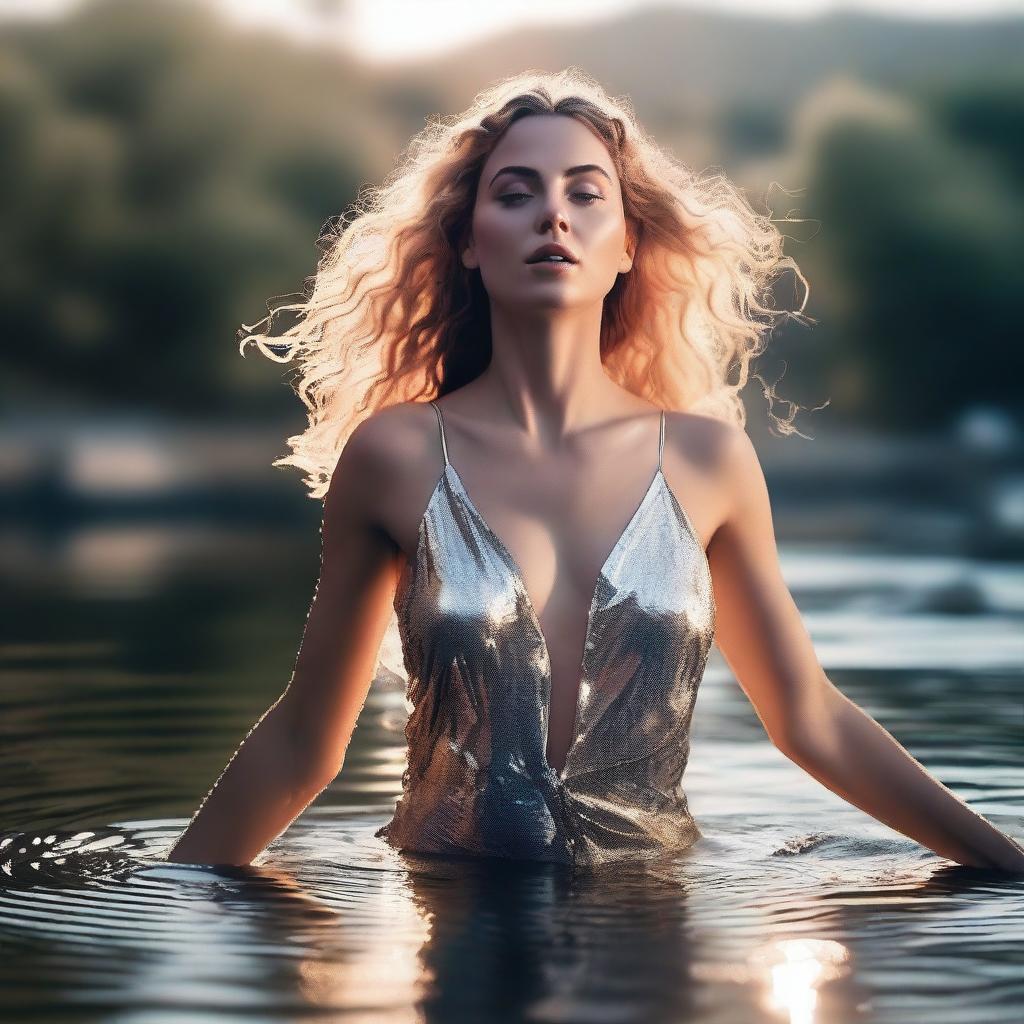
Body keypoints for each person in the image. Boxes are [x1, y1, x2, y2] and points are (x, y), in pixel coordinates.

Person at [166, 69, 1024, 872]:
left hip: (648, 927)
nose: (553, 215)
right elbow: (306, 742)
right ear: (468, 242)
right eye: (516, 194)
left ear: (627, 247)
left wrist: (1006, 867)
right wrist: (173, 898)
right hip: (457, 924)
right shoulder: (394, 455)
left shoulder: (706, 459)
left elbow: (810, 719)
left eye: (585, 192)